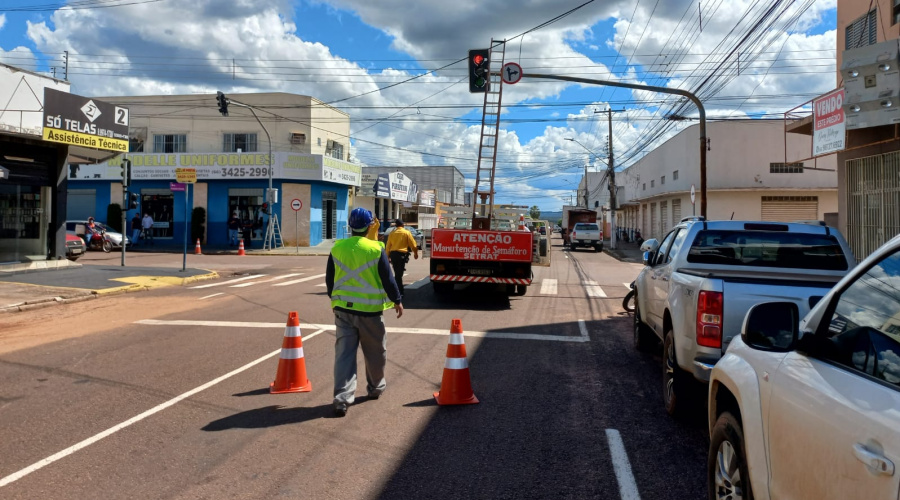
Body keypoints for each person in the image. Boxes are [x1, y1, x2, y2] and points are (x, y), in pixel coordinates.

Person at [326, 208, 403, 417]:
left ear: (350, 226)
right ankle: (375, 388)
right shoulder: (376, 249)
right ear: (370, 226)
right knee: (376, 353)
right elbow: (388, 278)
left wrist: (333, 300)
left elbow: (330, 279)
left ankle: (341, 399)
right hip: (369, 311)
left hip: (342, 310)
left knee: (344, 355)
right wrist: (397, 300)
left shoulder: (337, 248)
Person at [385, 219, 418, 295]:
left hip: (393, 255)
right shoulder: (406, 233)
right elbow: (413, 244)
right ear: (402, 225)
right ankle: (399, 291)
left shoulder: (392, 233)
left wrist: (387, 256)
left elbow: (388, 246)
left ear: (396, 226)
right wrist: (416, 253)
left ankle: (397, 290)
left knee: (397, 273)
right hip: (401, 256)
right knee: (398, 275)